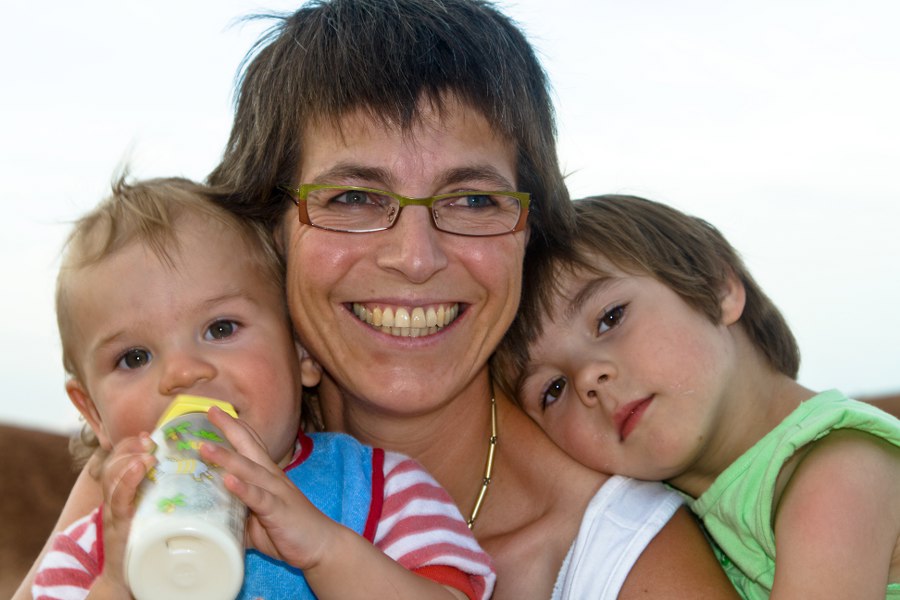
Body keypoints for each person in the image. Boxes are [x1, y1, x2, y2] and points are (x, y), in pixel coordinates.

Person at [17, 2, 739, 598]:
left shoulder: (629, 558)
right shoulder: (161, 470)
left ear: (527, 230)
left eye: (473, 198)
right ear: (271, 230)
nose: (416, 258)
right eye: (355, 197)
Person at [32, 175, 495, 600]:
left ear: (302, 351)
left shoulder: (381, 490)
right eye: (134, 357)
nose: (183, 373)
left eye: (220, 328)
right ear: (93, 413)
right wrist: (118, 584)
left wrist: (324, 550)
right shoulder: (89, 551)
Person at [494, 194, 900, 599]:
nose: (588, 378)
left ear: (717, 289)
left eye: (610, 318)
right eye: (553, 389)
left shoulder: (839, 478)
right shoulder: (669, 526)